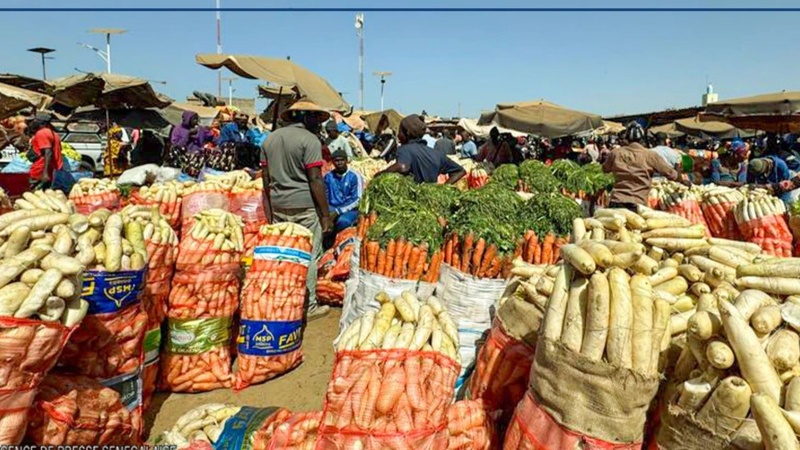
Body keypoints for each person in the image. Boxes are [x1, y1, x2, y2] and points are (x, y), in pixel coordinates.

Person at [261, 100, 332, 320]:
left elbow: (265, 178)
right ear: (305, 117)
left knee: (285, 254)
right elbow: (315, 180)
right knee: (308, 255)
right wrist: (325, 215)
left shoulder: (270, 139)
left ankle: (284, 301)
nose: (318, 124)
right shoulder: (309, 140)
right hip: (305, 206)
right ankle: (308, 306)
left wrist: (271, 207)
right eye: (314, 118)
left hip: (279, 204)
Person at [603, 122, 685, 211]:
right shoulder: (650, 155)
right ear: (642, 139)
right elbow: (671, 174)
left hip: (617, 201)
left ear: (627, 139)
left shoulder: (615, 153)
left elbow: (605, 169)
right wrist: (682, 180)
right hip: (637, 203)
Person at [376, 114, 466, 184]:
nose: (398, 135)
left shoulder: (405, 149)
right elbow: (460, 171)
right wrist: (442, 189)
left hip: (411, 202)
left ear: (407, 132)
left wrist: (381, 174)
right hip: (430, 203)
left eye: (400, 131)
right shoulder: (437, 154)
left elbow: (402, 167)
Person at [324, 150, 364, 232]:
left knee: (343, 221)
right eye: (337, 161)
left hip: (350, 209)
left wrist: (338, 211)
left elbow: (358, 199)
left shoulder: (354, 176)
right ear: (332, 162)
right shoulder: (328, 176)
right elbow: (325, 196)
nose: (340, 163)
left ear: (346, 160)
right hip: (332, 207)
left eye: (342, 160)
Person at [166, 111, 211, 176]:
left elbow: (211, 137)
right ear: (188, 120)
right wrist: (188, 134)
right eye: (194, 119)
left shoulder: (200, 129)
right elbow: (176, 145)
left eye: (197, 119)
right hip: (183, 160)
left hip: (197, 159)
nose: (196, 121)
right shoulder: (178, 129)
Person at [27, 114, 64, 190]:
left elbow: (48, 152)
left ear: (42, 123)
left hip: (40, 170)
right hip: (49, 169)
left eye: (35, 121)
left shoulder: (42, 133)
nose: (32, 123)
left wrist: (45, 173)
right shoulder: (53, 133)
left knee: (34, 194)